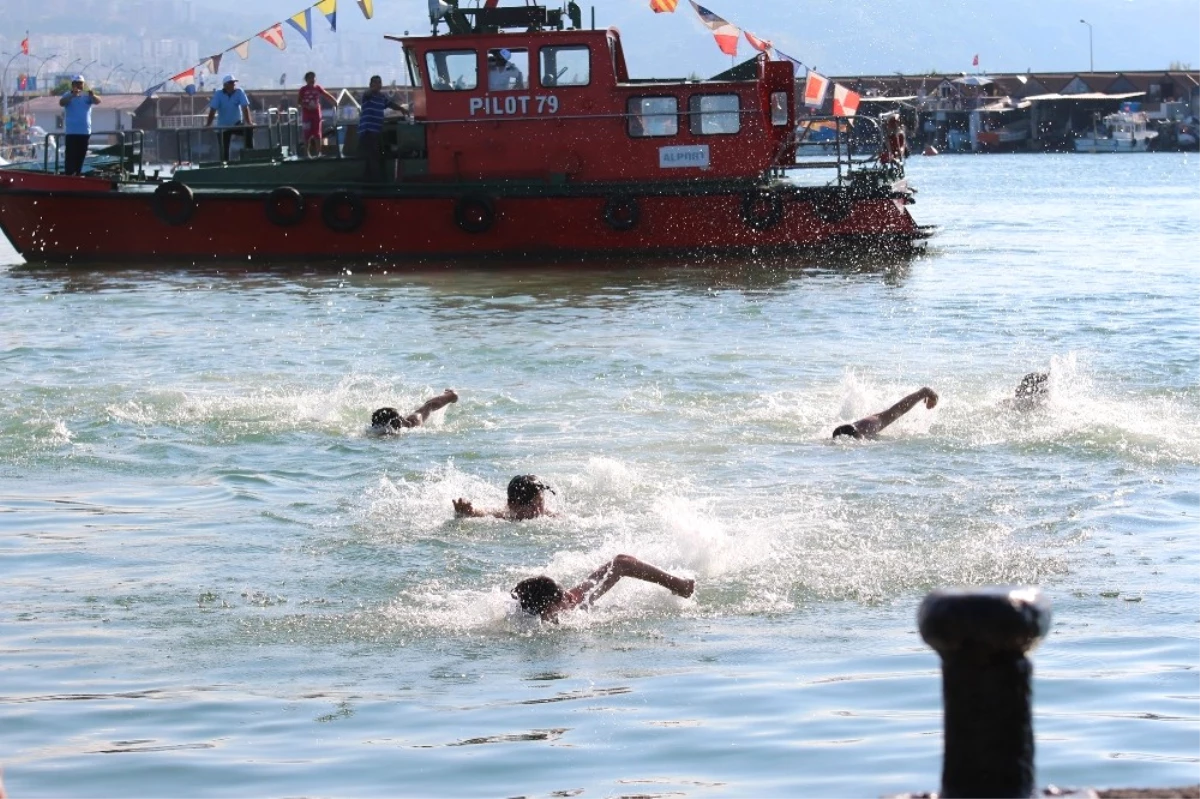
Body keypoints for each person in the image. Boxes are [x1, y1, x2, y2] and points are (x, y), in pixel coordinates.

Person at [512, 554, 696, 622]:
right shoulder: (531, 622)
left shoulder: (571, 603)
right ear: (547, 610)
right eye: (563, 598)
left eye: (565, 592)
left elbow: (621, 563)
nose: (569, 597)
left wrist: (676, 584)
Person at [833, 386, 938, 439]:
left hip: (862, 427)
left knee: (891, 414)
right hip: (856, 427)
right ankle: (923, 393)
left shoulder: (867, 429)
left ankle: (924, 392)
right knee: (889, 415)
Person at [358, 74, 408, 182]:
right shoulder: (367, 95)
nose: (378, 85)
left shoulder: (381, 97)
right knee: (374, 156)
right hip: (368, 131)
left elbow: (391, 104)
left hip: (376, 131)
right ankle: (377, 182)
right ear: (370, 85)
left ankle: (366, 181)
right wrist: (372, 90)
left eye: (379, 82)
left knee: (372, 156)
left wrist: (402, 109)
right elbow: (367, 93)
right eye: (375, 83)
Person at [454, 474, 555, 520]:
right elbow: (483, 512)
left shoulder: (549, 516)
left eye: (540, 503)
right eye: (531, 505)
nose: (537, 511)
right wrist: (467, 512)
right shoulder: (503, 516)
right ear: (512, 505)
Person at [58, 74, 100, 176]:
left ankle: (78, 174)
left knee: (81, 155)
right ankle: (69, 175)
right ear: (73, 84)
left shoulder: (87, 96)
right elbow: (62, 102)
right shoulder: (68, 95)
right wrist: (72, 95)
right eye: (77, 84)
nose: (79, 86)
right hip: (72, 132)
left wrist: (92, 95)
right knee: (70, 156)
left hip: (84, 132)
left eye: (81, 83)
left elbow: (98, 101)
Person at [205, 75, 254, 162]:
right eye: (231, 83)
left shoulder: (239, 92)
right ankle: (225, 165)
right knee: (224, 152)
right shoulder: (218, 94)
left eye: (234, 82)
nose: (234, 84)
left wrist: (249, 122)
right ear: (225, 85)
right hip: (223, 127)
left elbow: (245, 107)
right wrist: (208, 124)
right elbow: (213, 110)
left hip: (236, 124)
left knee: (248, 130)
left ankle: (250, 156)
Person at [370, 389, 457, 434]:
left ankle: (450, 395)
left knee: (426, 407)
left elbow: (429, 405)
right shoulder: (376, 432)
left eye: (402, 418)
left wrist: (451, 396)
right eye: (402, 420)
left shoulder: (413, 423)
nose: (406, 422)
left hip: (415, 416)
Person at [298, 71, 338, 158]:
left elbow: (325, 94)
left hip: (316, 113)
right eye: (310, 78)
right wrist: (306, 106)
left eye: (313, 78)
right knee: (307, 134)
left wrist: (334, 101)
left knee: (317, 134)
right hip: (307, 114)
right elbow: (299, 101)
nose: (312, 80)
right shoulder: (303, 90)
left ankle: (318, 153)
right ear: (306, 80)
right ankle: (306, 153)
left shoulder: (317, 88)